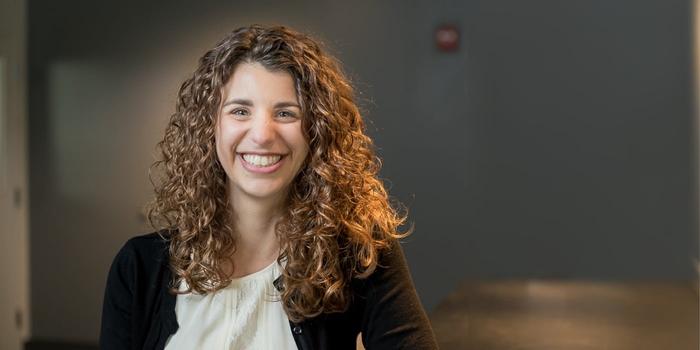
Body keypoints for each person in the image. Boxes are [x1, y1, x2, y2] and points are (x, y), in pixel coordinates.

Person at [99, 24, 438, 350]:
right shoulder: (139, 268)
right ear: (210, 127)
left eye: (286, 113)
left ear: (316, 131)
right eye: (240, 111)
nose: (262, 134)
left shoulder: (359, 255)